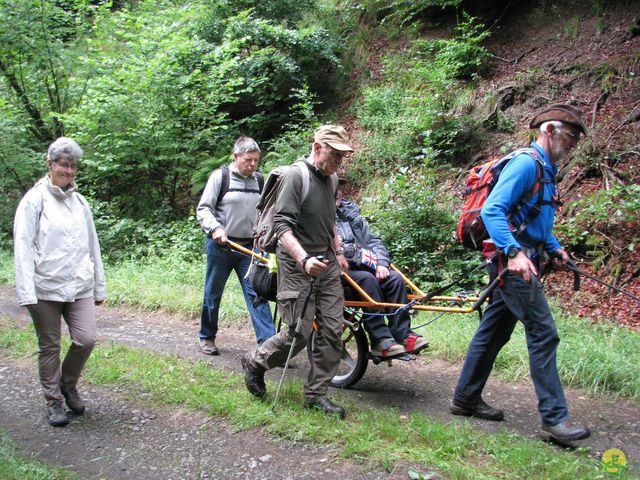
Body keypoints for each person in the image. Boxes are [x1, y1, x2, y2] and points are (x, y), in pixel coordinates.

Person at [450, 104, 591, 442]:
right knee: (544, 333)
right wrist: (513, 253)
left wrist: (554, 247)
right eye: (570, 136)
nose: (573, 144)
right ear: (550, 131)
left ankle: (465, 397)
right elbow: (493, 210)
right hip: (512, 266)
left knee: (494, 331)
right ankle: (555, 420)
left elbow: (536, 219)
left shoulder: (547, 170)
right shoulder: (527, 164)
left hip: (521, 261)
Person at [241, 125, 351, 418]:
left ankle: (315, 396)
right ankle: (255, 361)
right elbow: (282, 227)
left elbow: (329, 220)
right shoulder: (294, 176)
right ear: (317, 148)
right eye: (335, 154)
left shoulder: (332, 178)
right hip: (295, 261)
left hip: (325, 262)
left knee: (332, 330)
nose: (339, 161)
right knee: (299, 333)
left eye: (342, 156)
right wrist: (303, 260)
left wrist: (338, 252)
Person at [13, 137, 107, 427]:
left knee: (86, 339)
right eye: (63, 165)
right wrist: (26, 291)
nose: (68, 171)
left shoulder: (80, 203)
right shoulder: (34, 200)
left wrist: (98, 284)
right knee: (50, 346)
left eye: (73, 166)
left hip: (78, 285)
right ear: (50, 164)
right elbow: (23, 247)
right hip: (44, 288)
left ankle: (68, 383)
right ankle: (53, 401)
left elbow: (93, 245)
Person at [196, 136, 275, 355]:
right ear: (236, 157)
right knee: (213, 293)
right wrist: (215, 229)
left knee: (257, 293)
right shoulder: (220, 178)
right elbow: (203, 209)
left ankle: (268, 345)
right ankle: (207, 337)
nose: (252, 165)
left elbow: (267, 213)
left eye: (256, 160)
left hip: (249, 249)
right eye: (248, 160)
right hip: (221, 247)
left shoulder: (259, 180)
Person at [335, 186, 429, 358]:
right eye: (333, 190)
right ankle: (381, 340)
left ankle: (403, 334)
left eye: (339, 190)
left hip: (364, 265)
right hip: (337, 272)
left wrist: (382, 263)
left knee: (394, 279)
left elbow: (374, 241)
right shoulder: (317, 215)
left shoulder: (351, 214)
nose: (338, 192)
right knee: (367, 279)